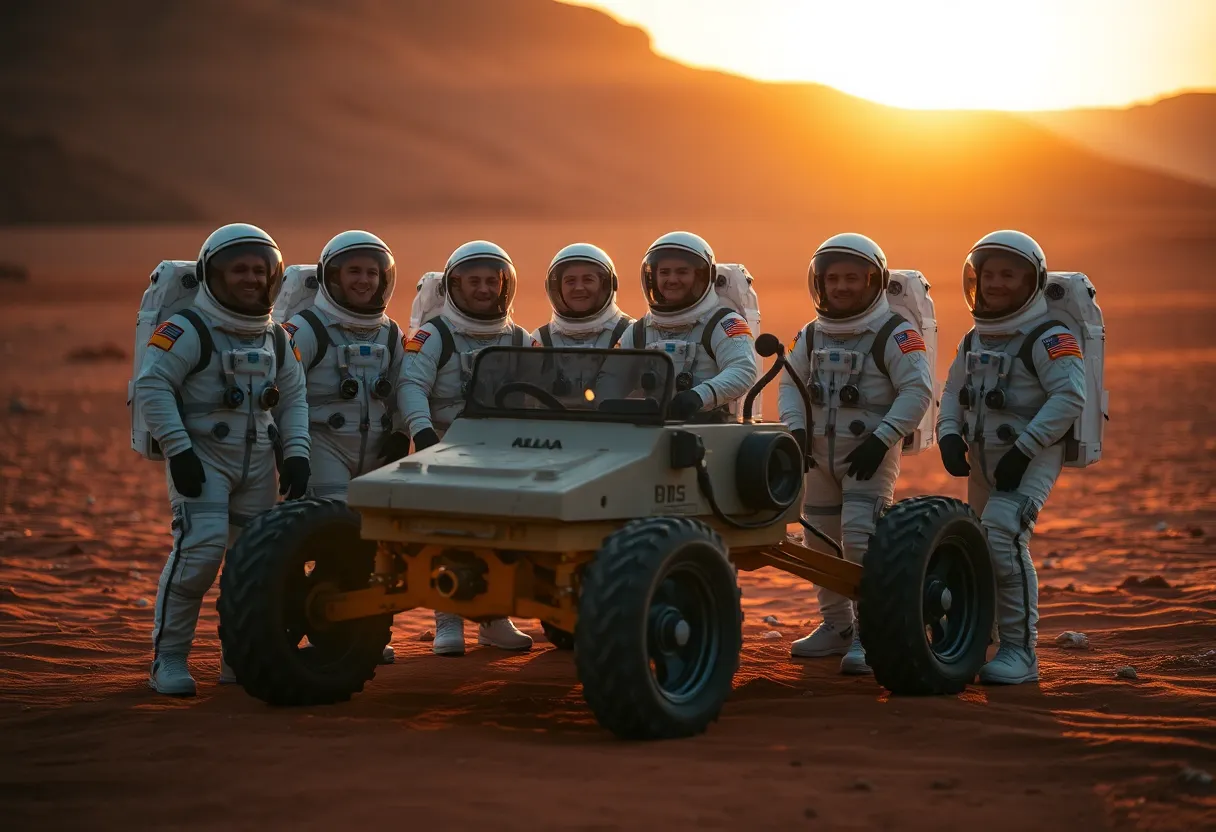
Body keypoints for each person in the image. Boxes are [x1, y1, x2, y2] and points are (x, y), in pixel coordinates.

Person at [135, 223, 311, 696]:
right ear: (212, 273)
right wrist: (179, 449)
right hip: (203, 459)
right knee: (201, 552)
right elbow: (151, 387)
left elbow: (294, 397)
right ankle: (168, 661)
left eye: (259, 270)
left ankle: (238, 656)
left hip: (257, 463)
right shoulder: (189, 328)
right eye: (239, 269)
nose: (251, 278)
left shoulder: (274, 337)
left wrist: (296, 452)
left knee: (251, 564)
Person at [780, 233, 933, 674]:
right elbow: (790, 382)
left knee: (860, 540)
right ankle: (837, 626)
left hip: (868, 453)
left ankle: (870, 633)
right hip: (819, 454)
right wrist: (796, 429)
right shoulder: (810, 334)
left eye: (852, 278)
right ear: (819, 284)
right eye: (833, 279)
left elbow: (917, 390)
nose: (841, 287)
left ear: (873, 282)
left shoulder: (894, 333)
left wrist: (883, 437)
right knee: (819, 542)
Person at [937, 230, 1085, 685]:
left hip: (1028, 456)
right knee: (979, 545)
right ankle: (980, 636)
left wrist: (1024, 449)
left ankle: (1021, 653)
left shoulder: (1048, 336)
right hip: (986, 456)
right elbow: (952, 391)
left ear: (1032, 282)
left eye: (1009, 274)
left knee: (1002, 538)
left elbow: (1070, 396)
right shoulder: (976, 337)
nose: (997, 283)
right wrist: (946, 433)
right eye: (989, 274)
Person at [397, 240, 534, 656]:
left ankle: (494, 620)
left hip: (500, 451)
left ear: (504, 285)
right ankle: (447, 621)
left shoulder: (519, 337)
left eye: (491, 281)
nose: (483, 288)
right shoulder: (434, 335)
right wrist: (422, 434)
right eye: (473, 281)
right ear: (453, 286)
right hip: (445, 447)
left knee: (499, 535)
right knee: (447, 534)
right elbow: (410, 385)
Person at [282, 230, 408, 664]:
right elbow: (285, 390)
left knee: (370, 543)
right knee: (337, 535)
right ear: (330, 276)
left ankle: (363, 630)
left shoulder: (390, 333)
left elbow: (404, 390)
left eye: (373, 273)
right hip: (324, 445)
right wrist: (293, 450)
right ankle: (327, 622)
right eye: (354, 271)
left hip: (372, 450)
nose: (364, 281)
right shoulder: (306, 328)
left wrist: (402, 432)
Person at [620, 231, 758, 422]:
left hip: (710, 431)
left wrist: (699, 396)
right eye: (664, 272)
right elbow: (613, 380)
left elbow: (743, 370)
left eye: (682, 272)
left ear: (703, 276)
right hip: (648, 430)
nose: (672, 279)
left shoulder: (725, 323)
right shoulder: (638, 331)